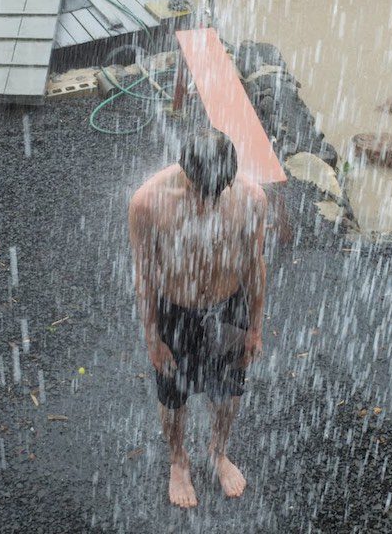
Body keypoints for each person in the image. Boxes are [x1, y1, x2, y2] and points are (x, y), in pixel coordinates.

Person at [129, 128, 267, 509]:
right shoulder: (148, 203)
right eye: (201, 192)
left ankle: (218, 452)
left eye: (218, 192)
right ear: (186, 173)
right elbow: (145, 276)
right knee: (173, 397)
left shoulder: (251, 198)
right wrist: (153, 338)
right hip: (177, 311)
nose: (209, 203)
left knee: (229, 393)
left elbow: (255, 266)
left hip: (229, 307)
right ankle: (178, 460)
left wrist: (254, 326)